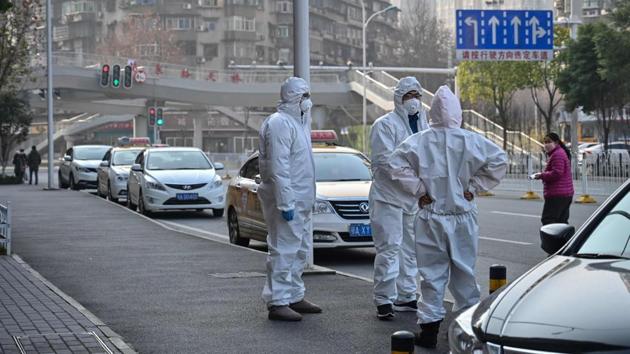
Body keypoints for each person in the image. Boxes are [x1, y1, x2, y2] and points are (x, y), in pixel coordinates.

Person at [385, 86, 507, 348]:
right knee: (464, 273)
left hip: (430, 216)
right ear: (457, 112)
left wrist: (419, 190)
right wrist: (473, 188)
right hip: (462, 215)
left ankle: (428, 330)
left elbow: (394, 165)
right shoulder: (471, 140)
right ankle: (470, 330)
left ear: (432, 112)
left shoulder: (418, 140)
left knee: (431, 275)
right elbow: (499, 160)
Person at [257, 77, 321, 321]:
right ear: (293, 98)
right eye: (304, 96)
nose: (308, 101)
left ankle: (294, 295)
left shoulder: (299, 123)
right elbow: (279, 167)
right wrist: (285, 202)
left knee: (300, 249)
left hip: (301, 199)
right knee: (283, 250)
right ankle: (278, 301)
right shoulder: (280, 123)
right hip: (287, 200)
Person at [369, 76, 429, 320]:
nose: (413, 101)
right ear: (398, 99)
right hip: (388, 198)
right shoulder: (385, 125)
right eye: (408, 96)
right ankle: (384, 299)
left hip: (411, 200)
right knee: (390, 248)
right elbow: (386, 164)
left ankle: (407, 295)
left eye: (417, 95)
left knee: (410, 250)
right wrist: (418, 187)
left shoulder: (423, 125)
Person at [532, 133, 574, 225]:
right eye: (545, 142)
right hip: (565, 194)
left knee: (548, 221)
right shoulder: (559, 153)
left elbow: (557, 173)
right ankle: (565, 240)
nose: (546, 145)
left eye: (548, 142)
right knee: (561, 222)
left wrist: (541, 175)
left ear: (556, 142)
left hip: (557, 194)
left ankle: (551, 240)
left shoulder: (557, 154)